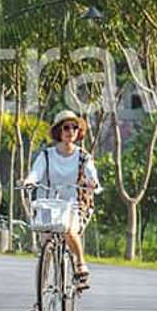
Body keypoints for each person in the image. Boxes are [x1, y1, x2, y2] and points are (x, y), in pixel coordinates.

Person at [23, 110, 101, 294]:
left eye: (75, 127)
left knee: (67, 229)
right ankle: (40, 295)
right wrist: (29, 182)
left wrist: (92, 183)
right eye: (66, 127)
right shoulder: (47, 155)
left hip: (74, 204)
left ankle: (80, 263)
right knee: (46, 244)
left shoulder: (83, 156)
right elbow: (36, 173)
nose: (70, 131)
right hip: (49, 204)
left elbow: (92, 174)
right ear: (59, 131)